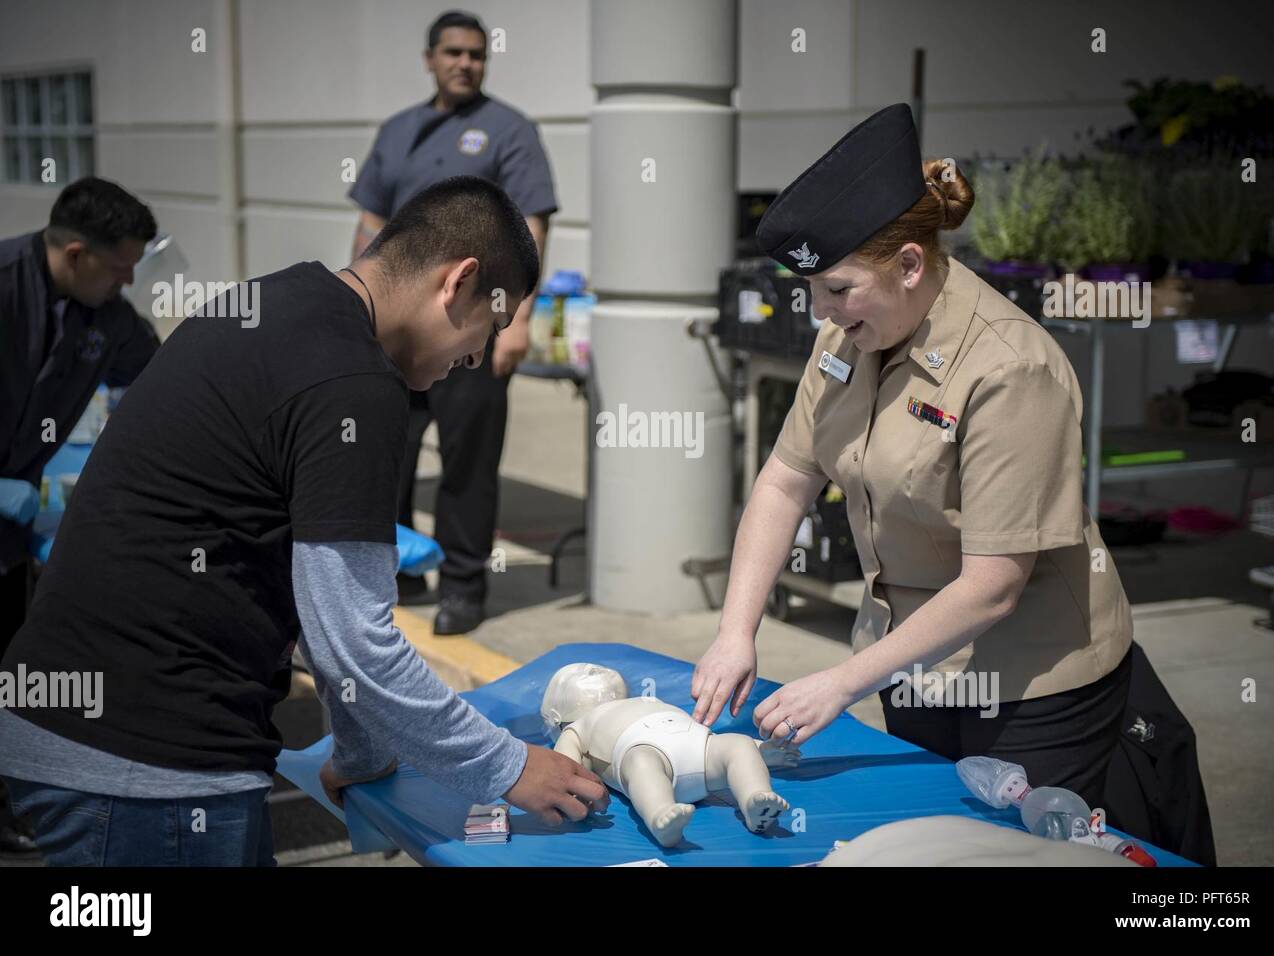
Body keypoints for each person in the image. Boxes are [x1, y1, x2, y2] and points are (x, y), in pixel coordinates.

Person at [0, 176, 607, 866]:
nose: (472, 361)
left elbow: (327, 622)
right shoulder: (354, 383)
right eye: (486, 331)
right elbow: (355, 644)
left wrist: (362, 752)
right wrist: (506, 766)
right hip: (147, 766)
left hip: (95, 734)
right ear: (458, 281)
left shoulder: (272, 303)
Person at [691, 104, 1134, 811]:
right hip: (912, 664)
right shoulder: (844, 339)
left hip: (1032, 684)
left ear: (907, 264)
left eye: (837, 290)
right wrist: (734, 633)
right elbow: (784, 482)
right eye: (812, 291)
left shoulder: (1008, 367)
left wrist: (843, 681)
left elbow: (993, 585)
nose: (822, 312)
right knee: (926, 834)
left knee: (1009, 858)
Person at [349, 9, 557, 633]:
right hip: (399, 333)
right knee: (388, 452)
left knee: (468, 461)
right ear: (430, 58)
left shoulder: (509, 130)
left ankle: (463, 586)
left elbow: (534, 225)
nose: (465, 63)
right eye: (454, 52)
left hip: (473, 332)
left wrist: (515, 320)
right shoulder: (398, 132)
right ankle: (399, 568)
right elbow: (368, 226)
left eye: (476, 54)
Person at [0, 177, 161, 855]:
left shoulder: (107, 317)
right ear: (73, 253)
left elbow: (161, 383)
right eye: (119, 266)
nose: (128, 280)